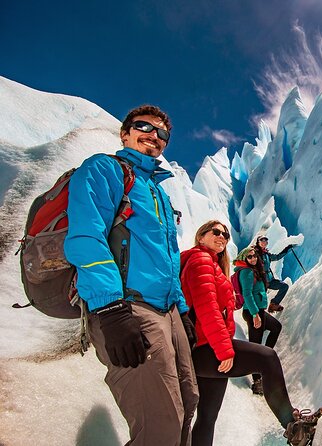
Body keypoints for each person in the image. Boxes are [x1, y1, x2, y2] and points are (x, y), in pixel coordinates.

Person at [64, 105, 199, 445]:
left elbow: (166, 258)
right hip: (128, 307)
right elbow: (86, 237)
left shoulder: (158, 192)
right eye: (144, 127)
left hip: (166, 311)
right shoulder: (104, 169)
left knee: (186, 403)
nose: (154, 136)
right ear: (125, 133)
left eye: (162, 134)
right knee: (160, 425)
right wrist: (110, 309)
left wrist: (181, 310)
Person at [180, 220, 322, 446]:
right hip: (208, 348)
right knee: (267, 358)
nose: (222, 236)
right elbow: (207, 309)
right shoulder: (201, 261)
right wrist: (224, 349)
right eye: (216, 232)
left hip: (204, 350)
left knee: (207, 418)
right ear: (201, 236)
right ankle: (295, 428)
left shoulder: (211, 264)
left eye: (226, 234)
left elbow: (217, 304)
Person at [234, 246, 283, 395]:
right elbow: (247, 294)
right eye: (249, 257)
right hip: (253, 312)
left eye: (254, 256)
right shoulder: (247, 272)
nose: (253, 258)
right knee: (255, 347)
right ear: (244, 259)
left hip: (258, 311)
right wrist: (255, 314)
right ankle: (257, 382)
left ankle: (265, 359)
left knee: (276, 327)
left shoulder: (254, 270)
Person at [254, 235, 294, 312]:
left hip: (270, 280)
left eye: (265, 241)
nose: (264, 242)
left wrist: (287, 249)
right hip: (261, 281)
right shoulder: (255, 254)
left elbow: (277, 257)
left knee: (284, 286)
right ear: (258, 242)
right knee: (261, 301)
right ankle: (256, 314)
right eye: (262, 241)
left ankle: (274, 304)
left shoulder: (266, 254)